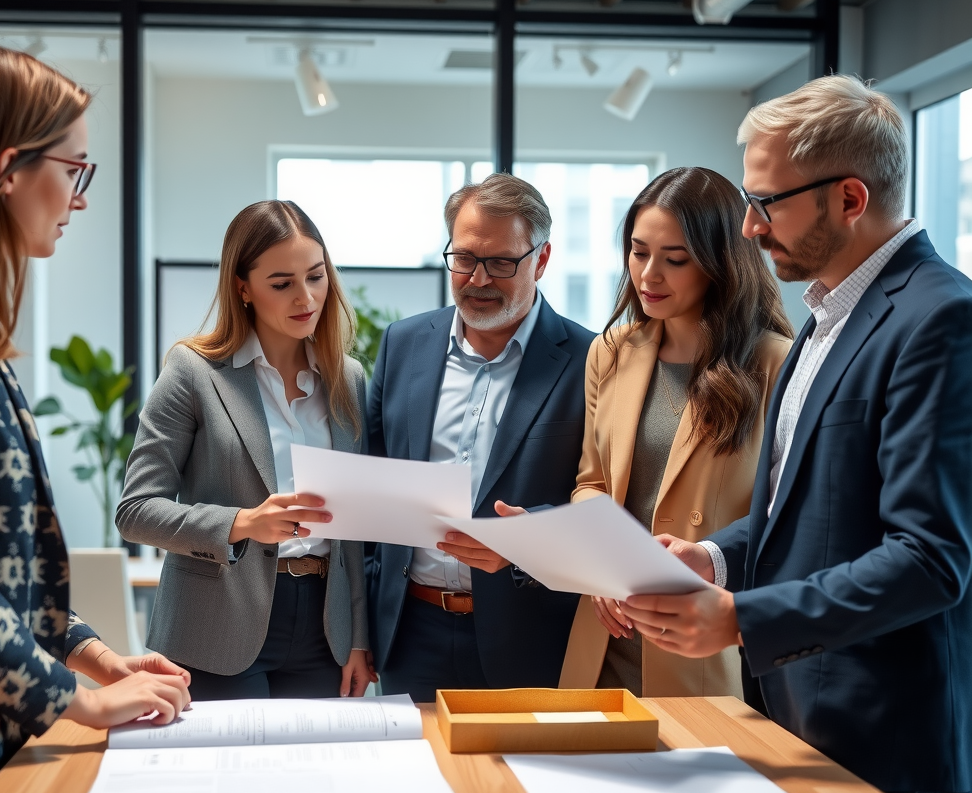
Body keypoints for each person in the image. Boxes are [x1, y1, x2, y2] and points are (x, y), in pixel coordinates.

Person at [613, 76, 972, 793]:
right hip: (801, 719)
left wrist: (740, 618)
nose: (747, 227)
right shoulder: (822, 317)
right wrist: (712, 558)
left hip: (891, 739)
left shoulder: (940, 318)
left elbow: (930, 559)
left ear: (848, 198)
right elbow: (805, 513)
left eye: (767, 202)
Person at [0, 41, 191, 793]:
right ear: (8, 168)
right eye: (74, 170)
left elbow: (2, 569)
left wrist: (96, 657)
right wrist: (78, 700)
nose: (80, 197)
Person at [117, 201, 375, 700]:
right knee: (228, 775)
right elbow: (135, 511)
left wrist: (358, 640)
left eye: (316, 277)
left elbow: (356, 533)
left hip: (325, 632)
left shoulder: (349, 380)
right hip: (216, 623)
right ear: (243, 287)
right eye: (282, 283)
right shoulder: (193, 373)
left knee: (315, 776)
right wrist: (242, 524)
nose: (306, 297)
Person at [558, 168, 792, 698]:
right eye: (639, 252)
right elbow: (592, 483)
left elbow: (781, 516)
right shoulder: (612, 351)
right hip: (607, 634)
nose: (649, 275)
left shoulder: (775, 362)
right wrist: (599, 570)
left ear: (720, 263)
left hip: (702, 642)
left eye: (675, 259)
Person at [367, 173, 595, 702]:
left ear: (541, 260)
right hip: (409, 633)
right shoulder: (403, 345)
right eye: (465, 258)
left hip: (530, 637)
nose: (477, 279)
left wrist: (522, 544)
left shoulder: (591, 360)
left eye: (501, 263)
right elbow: (371, 486)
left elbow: (606, 498)